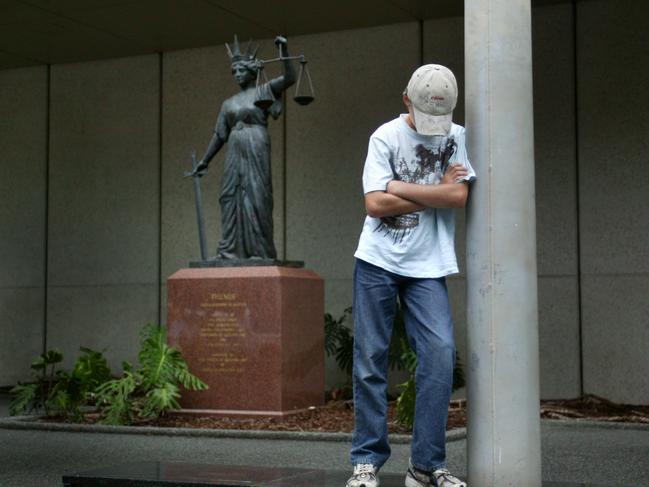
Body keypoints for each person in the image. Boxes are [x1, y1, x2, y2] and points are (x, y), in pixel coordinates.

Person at [347, 64, 475, 487]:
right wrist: (431, 191)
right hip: (377, 260)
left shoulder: (455, 135)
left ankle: (424, 466)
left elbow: (456, 195)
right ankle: (366, 461)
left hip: (428, 266)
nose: (433, 125)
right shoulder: (384, 136)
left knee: (439, 355)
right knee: (370, 360)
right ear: (407, 99)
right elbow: (374, 206)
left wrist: (398, 187)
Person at [192, 35, 295, 260]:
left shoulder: (264, 91)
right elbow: (220, 135)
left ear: (251, 71)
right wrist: (205, 161)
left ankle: (259, 251)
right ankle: (229, 251)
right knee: (229, 196)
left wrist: (284, 49)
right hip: (234, 150)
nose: (237, 75)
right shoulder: (228, 103)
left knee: (256, 195)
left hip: (255, 145)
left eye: (241, 70)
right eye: (234, 71)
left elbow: (289, 77)